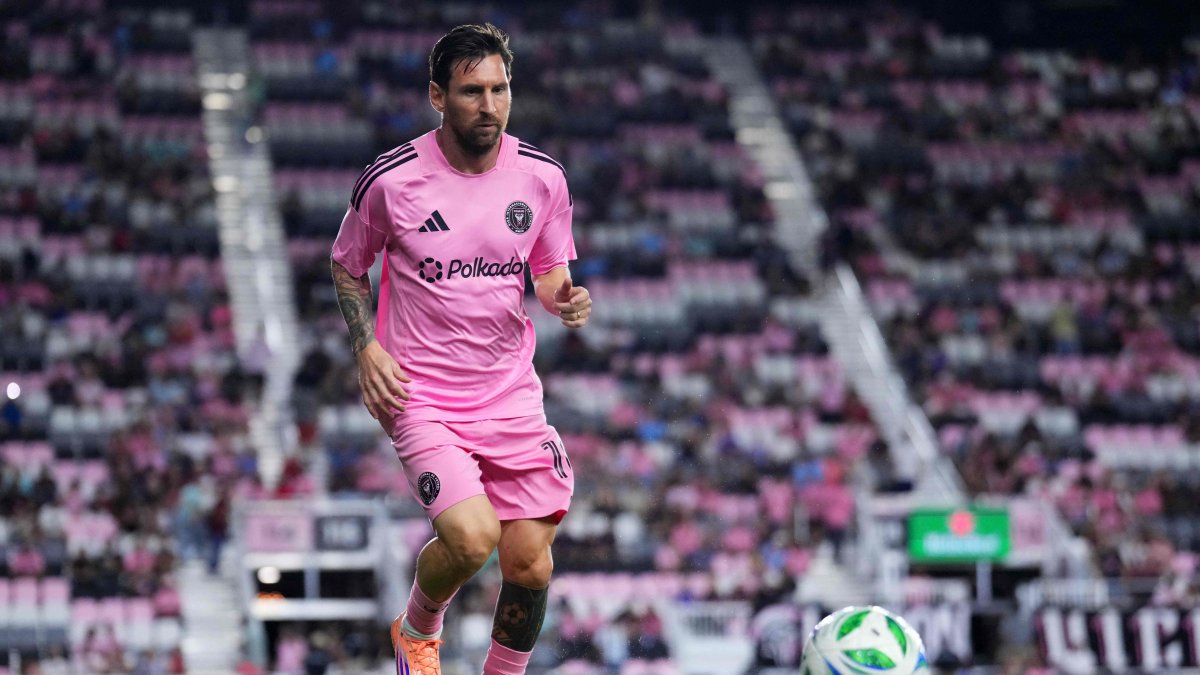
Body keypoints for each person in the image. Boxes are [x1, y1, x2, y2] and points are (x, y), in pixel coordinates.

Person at [329, 22, 592, 675]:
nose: (490, 105)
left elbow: (549, 269)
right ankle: (417, 629)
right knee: (472, 538)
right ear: (438, 96)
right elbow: (345, 265)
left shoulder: (542, 178)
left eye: (500, 89)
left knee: (532, 560)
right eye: (472, 91)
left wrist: (564, 297)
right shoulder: (391, 181)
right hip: (420, 394)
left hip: (509, 394)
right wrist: (366, 348)